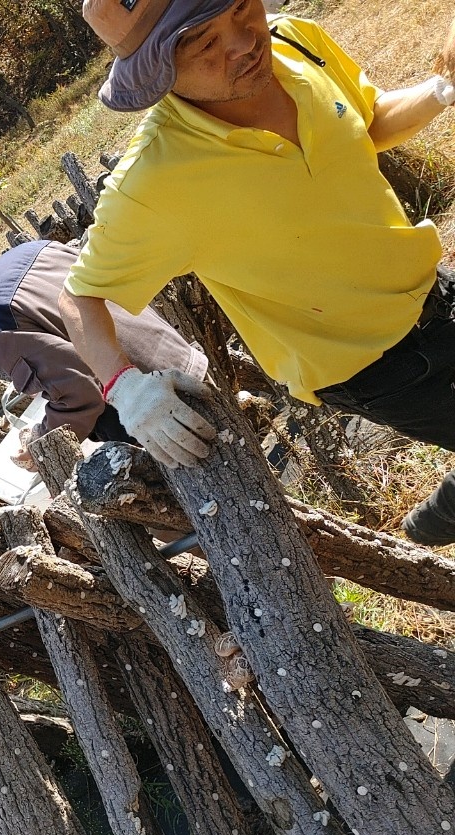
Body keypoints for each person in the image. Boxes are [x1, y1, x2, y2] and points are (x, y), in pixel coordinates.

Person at [59, 0, 455, 545]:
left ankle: (437, 517)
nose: (245, 42)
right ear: (158, 72)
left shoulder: (295, 43)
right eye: (205, 42)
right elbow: (80, 298)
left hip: (430, 285)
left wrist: (442, 90)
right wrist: (124, 388)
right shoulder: (155, 182)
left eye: (242, 7)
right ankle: (434, 523)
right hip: (371, 364)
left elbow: (363, 124)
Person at [0, 236, 208, 466]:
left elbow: (79, 395)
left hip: (161, 421)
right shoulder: (32, 250)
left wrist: (41, 440)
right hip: (182, 364)